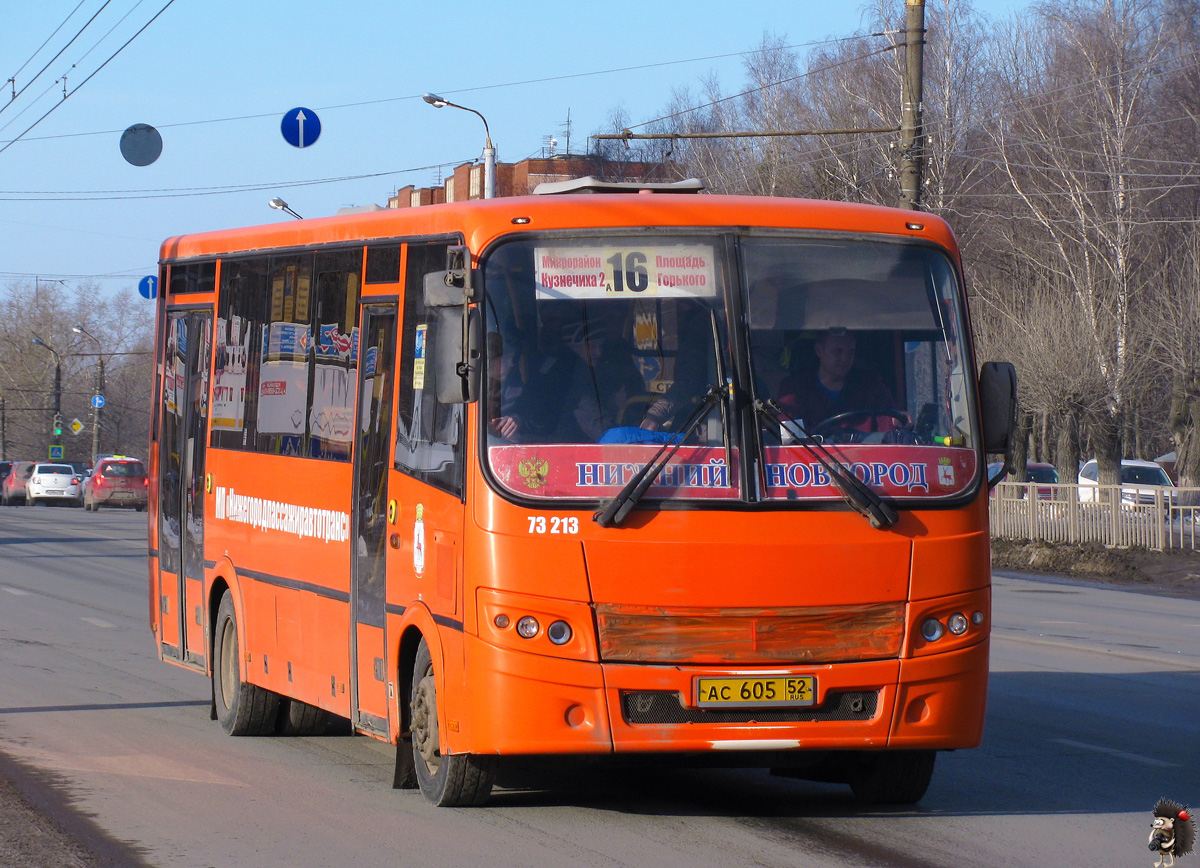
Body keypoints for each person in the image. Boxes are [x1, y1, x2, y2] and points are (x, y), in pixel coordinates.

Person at [491, 309, 644, 443]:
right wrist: (623, 441)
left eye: (601, 346)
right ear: (575, 343)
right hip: (569, 444)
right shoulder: (573, 373)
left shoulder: (558, 363)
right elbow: (593, 422)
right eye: (593, 346)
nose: (598, 352)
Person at [775, 329, 895, 433]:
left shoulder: (871, 384)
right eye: (838, 351)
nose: (845, 358)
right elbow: (790, 440)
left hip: (864, 457)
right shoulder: (794, 389)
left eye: (850, 352)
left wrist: (896, 422)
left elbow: (887, 425)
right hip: (812, 458)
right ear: (819, 350)